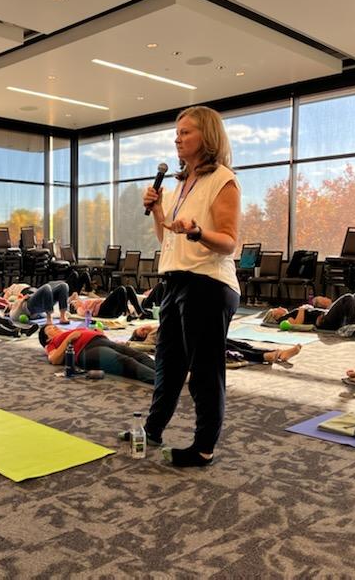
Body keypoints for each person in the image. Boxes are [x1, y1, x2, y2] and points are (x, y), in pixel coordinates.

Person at [140, 105, 240, 467]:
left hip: (208, 283)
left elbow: (228, 242)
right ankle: (152, 430)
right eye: (176, 133)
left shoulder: (223, 180)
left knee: (204, 372)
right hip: (176, 280)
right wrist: (158, 212)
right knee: (167, 365)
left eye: (186, 132)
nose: (177, 139)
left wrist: (197, 232)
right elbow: (167, 239)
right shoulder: (180, 184)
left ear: (207, 136)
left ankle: (203, 448)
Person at [38, 324, 155, 383]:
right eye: (50, 328)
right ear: (47, 338)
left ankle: (164, 373)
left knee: (140, 356)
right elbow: (54, 359)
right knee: (127, 362)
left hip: (102, 341)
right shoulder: (51, 343)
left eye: (54, 325)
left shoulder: (70, 331)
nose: (55, 327)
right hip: (87, 350)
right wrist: (69, 339)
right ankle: (160, 381)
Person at [128, 325, 302, 365]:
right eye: (141, 333)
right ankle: (267, 356)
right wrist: (130, 342)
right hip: (191, 341)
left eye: (141, 329)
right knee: (230, 348)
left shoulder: (158, 322)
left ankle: (277, 353)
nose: (143, 330)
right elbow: (146, 347)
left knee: (238, 344)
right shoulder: (153, 335)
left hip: (197, 331)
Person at [68, 285, 144, 319]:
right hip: (104, 311)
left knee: (128, 288)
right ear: (75, 307)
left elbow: (75, 294)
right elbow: (86, 314)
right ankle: (126, 312)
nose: (77, 301)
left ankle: (140, 312)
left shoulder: (83, 302)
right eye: (75, 303)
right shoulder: (79, 309)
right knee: (120, 289)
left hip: (108, 307)